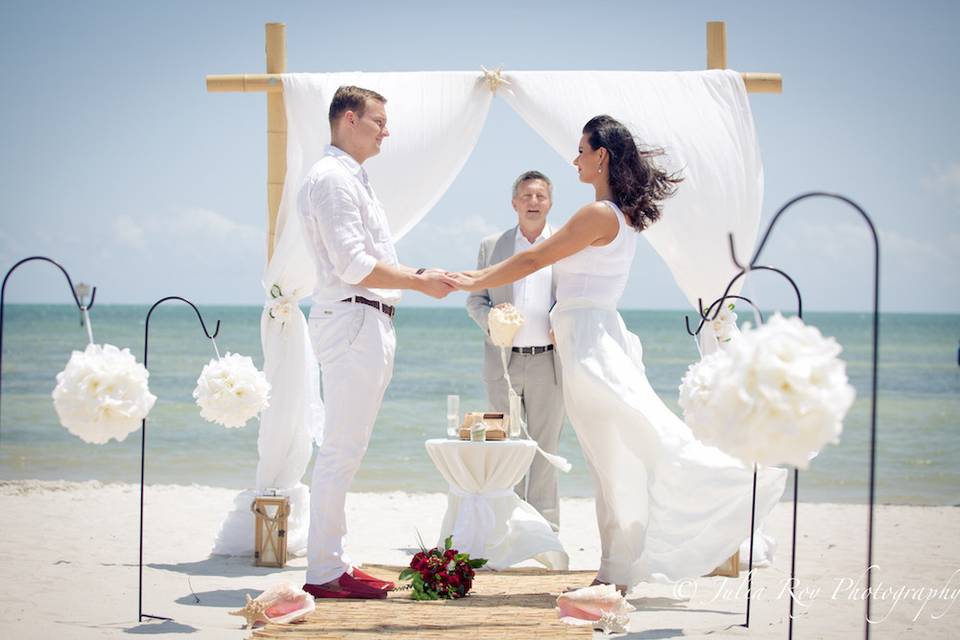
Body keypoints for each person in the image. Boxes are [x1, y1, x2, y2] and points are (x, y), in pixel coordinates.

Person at [452, 115, 786, 591]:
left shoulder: (598, 215)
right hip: (589, 334)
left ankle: (625, 565)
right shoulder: (618, 214)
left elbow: (531, 260)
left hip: (589, 342)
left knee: (615, 457)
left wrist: (471, 279)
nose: (576, 160)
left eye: (582, 151)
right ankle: (615, 569)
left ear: (601, 156)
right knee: (610, 458)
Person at [298, 85, 457, 599]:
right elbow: (353, 265)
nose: (386, 131)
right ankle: (323, 571)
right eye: (378, 121)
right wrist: (419, 278)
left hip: (365, 320)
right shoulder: (332, 181)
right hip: (352, 319)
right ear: (349, 119)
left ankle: (333, 562)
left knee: (349, 447)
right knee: (340, 450)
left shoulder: (351, 179)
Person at [466, 170, 565, 531]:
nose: (533, 202)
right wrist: (492, 319)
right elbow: (475, 299)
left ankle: (544, 530)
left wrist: (563, 320)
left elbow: (574, 299)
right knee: (506, 448)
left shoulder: (565, 246)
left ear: (550, 202)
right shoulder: (492, 247)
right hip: (503, 364)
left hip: (549, 364)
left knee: (545, 449)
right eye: (526, 196)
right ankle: (504, 527)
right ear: (514, 203)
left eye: (540, 196)